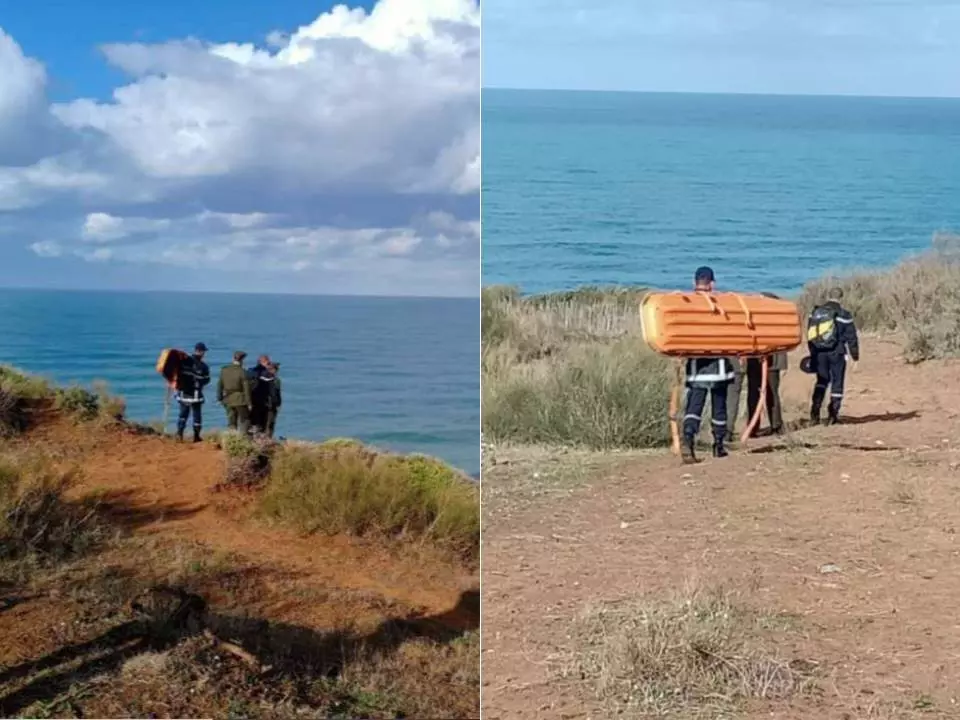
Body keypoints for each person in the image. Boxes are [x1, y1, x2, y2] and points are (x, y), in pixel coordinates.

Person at [680, 266, 736, 464]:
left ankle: (688, 439)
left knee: (694, 406)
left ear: (694, 282)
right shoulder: (719, 304)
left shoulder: (686, 304)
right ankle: (718, 445)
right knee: (719, 407)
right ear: (712, 283)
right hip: (719, 367)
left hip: (696, 367)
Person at [808, 287, 860, 426]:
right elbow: (852, 337)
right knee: (837, 382)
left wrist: (812, 353)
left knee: (821, 381)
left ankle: (815, 413)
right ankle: (833, 414)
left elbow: (810, 336)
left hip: (819, 353)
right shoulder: (844, 314)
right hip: (837, 353)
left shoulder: (816, 313)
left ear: (828, 295)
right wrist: (855, 356)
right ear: (841, 297)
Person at [745, 292, 787, 437]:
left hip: (770, 361)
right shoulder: (754, 319)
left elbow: (783, 344)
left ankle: (775, 425)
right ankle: (754, 425)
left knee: (770, 393)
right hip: (755, 359)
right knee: (755, 393)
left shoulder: (776, 321)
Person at [175, 342, 211, 442]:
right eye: (203, 351)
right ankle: (196, 437)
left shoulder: (184, 361)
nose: (204, 354)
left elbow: (177, 373)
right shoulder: (203, 366)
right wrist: (199, 381)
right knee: (197, 416)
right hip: (196, 395)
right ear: (201, 351)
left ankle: (179, 434)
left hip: (183, 393)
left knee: (183, 415)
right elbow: (207, 380)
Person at [218, 350, 253, 433]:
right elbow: (246, 389)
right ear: (242, 360)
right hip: (240, 399)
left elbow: (220, 385)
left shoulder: (224, 370)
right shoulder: (242, 372)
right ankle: (242, 438)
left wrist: (220, 398)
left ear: (233, 358)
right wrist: (249, 403)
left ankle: (232, 439)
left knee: (231, 421)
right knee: (245, 420)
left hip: (228, 399)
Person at [250, 358, 277, 435]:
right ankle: (263, 440)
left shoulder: (252, 374)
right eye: (268, 363)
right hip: (265, 403)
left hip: (256, 402)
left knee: (256, 424)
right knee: (266, 424)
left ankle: (257, 438)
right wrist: (275, 403)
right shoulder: (269, 378)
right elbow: (273, 393)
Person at [264, 362, 282, 438]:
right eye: (276, 370)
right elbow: (277, 394)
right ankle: (268, 439)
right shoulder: (276, 380)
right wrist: (278, 404)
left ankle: (262, 439)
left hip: (263, 403)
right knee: (270, 423)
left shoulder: (261, 378)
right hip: (271, 404)